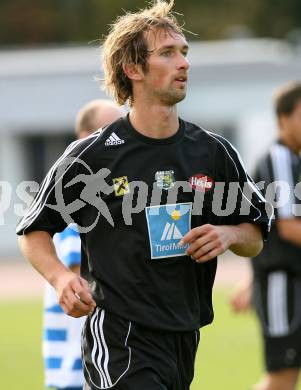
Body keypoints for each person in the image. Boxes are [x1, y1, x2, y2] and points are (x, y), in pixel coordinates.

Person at [17, 2, 271, 389]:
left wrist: (229, 234)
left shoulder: (213, 152)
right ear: (133, 69)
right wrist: (59, 279)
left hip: (185, 335)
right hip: (120, 335)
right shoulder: (92, 156)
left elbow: (254, 236)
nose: (183, 63)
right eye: (167, 53)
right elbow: (33, 231)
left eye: (184, 52)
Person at [43, 99, 124, 390]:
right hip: (78, 365)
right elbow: (84, 274)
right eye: (107, 130)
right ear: (85, 138)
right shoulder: (80, 197)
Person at [231, 82, 301, 390]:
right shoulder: (280, 158)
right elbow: (288, 227)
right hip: (282, 286)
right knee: (282, 377)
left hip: (287, 279)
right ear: (282, 119)